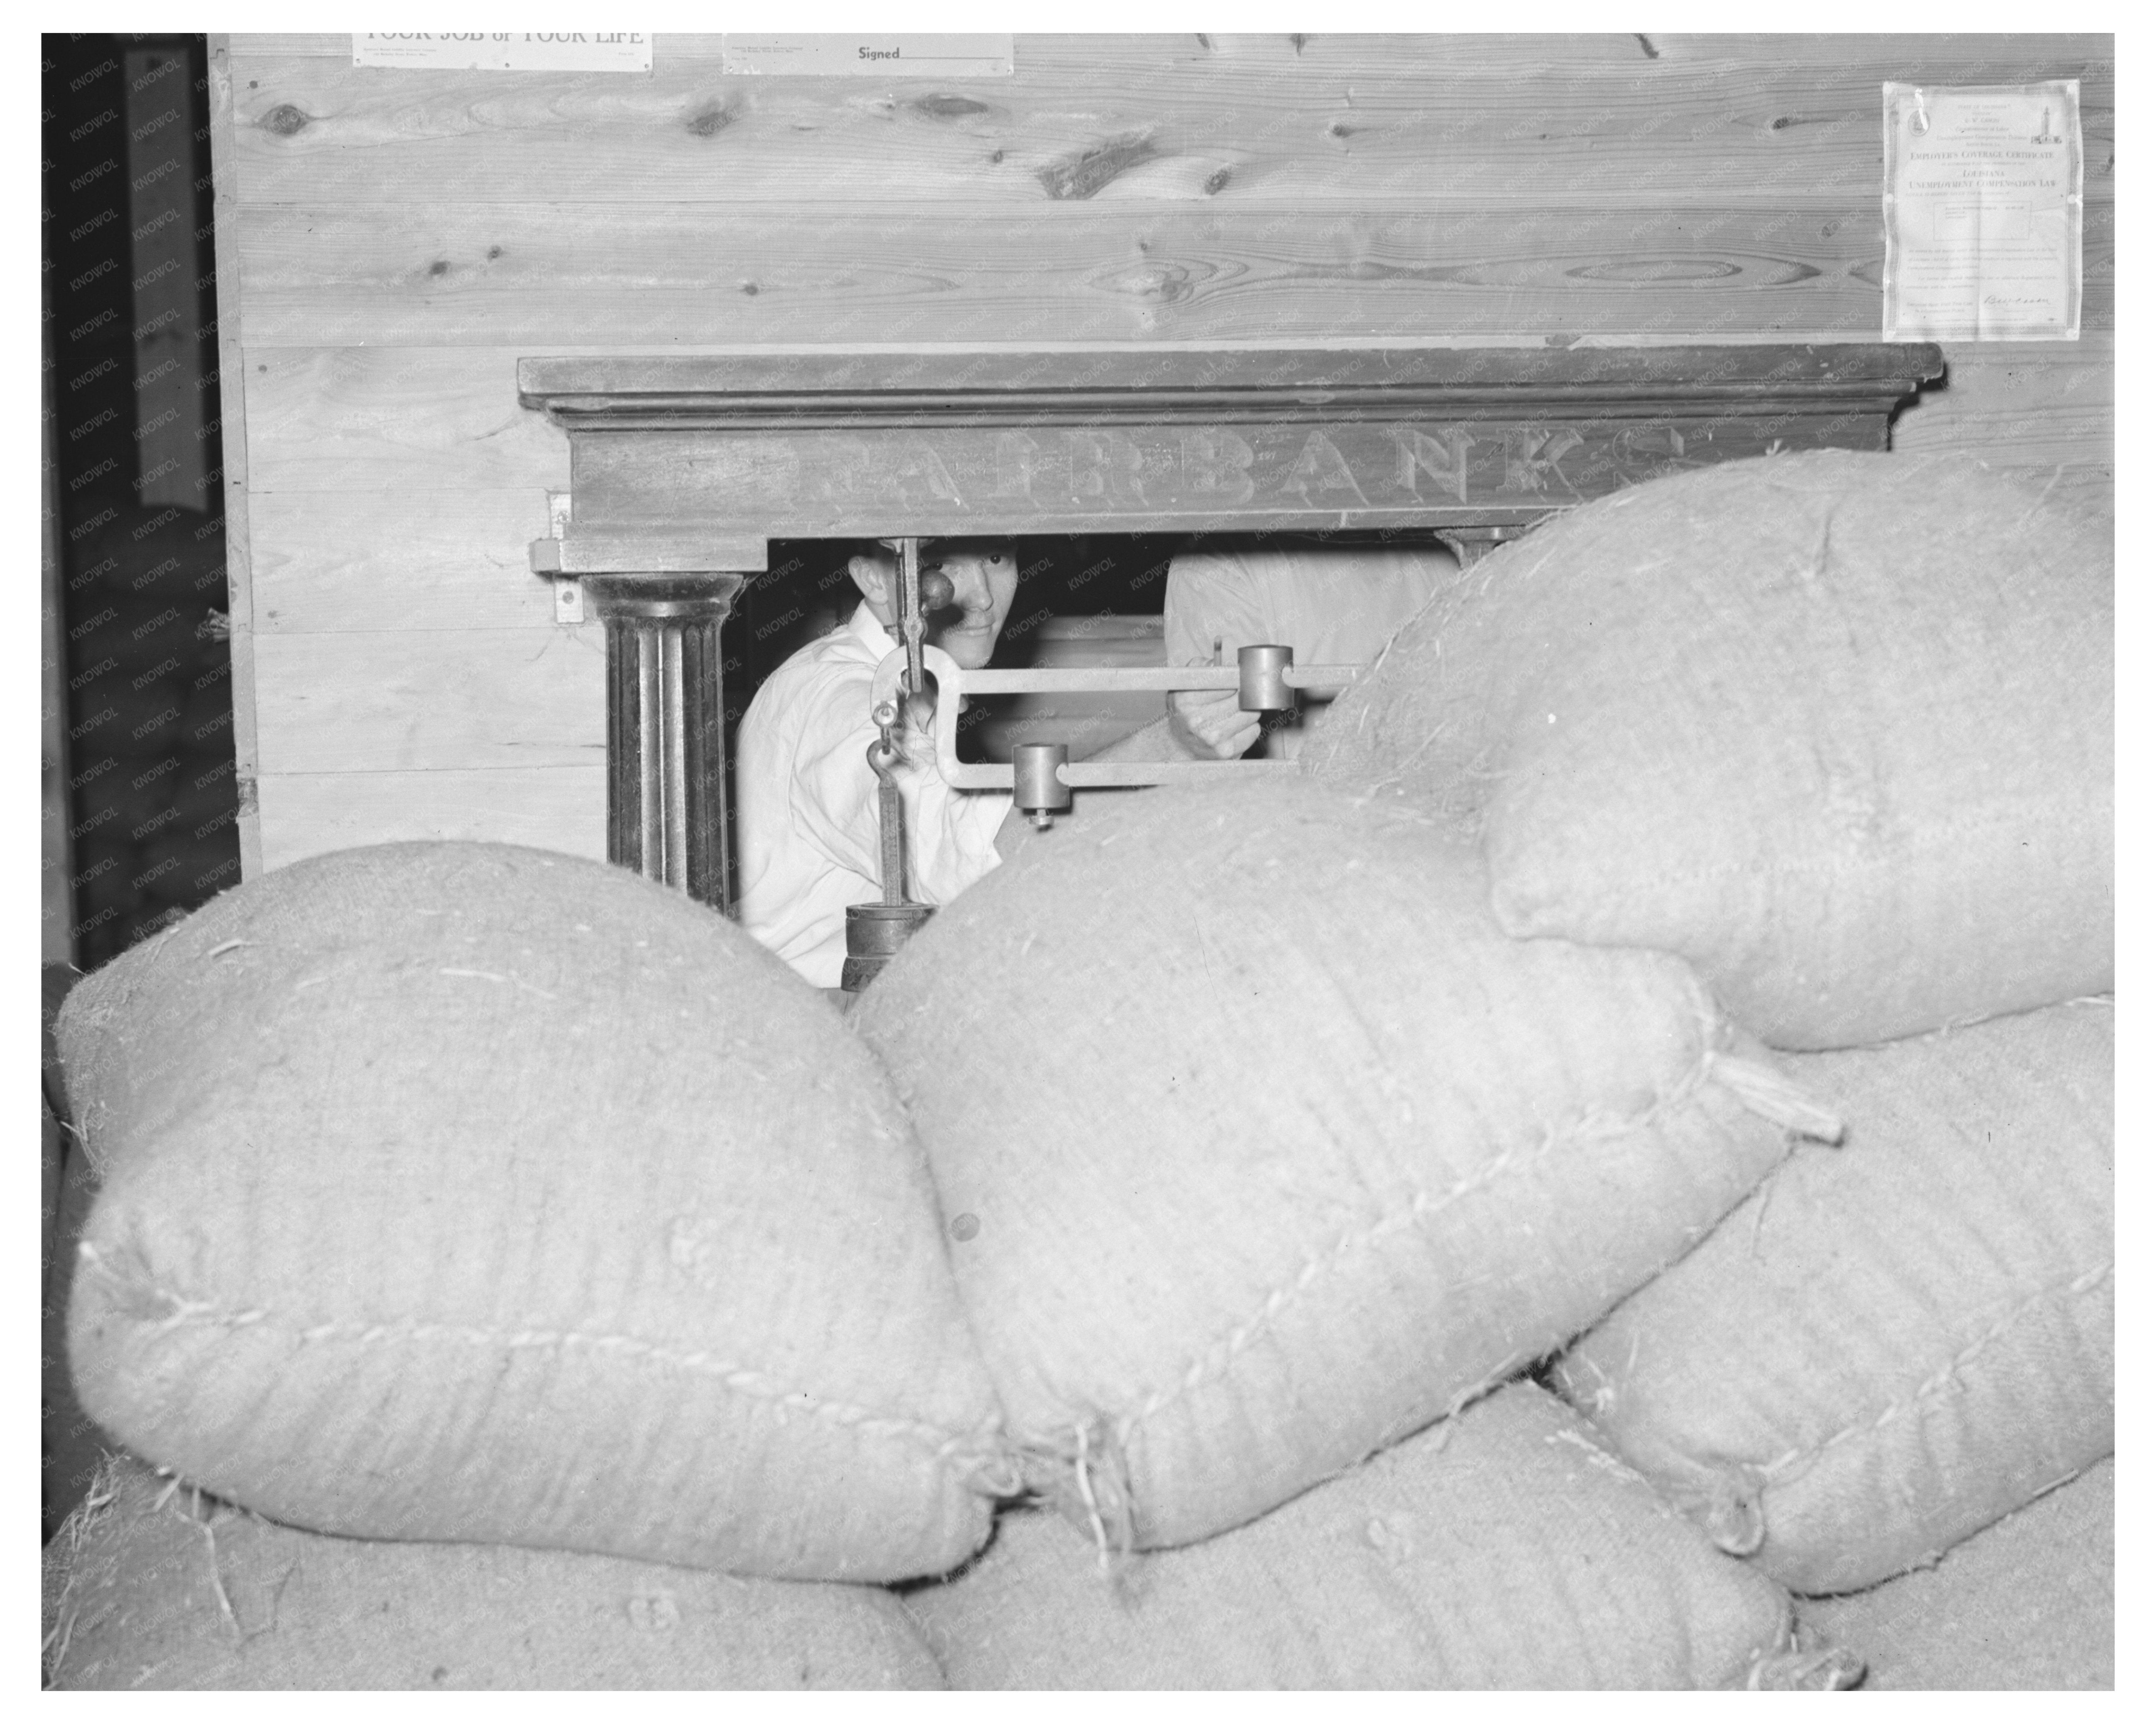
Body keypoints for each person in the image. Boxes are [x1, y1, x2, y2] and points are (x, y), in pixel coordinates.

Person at [737, 539, 1259, 987]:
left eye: (995, 557)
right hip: (814, 1027)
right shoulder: (836, 701)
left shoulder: (913, 687)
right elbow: (970, 859)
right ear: (872, 577)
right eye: (943, 563)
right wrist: (1170, 747)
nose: (982, 596)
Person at [1161, 537, 1459, 759]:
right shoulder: (1451, 551)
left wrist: (1185, 743)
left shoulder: (1213, 561)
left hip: (1301, 823)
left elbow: (1217, 749)